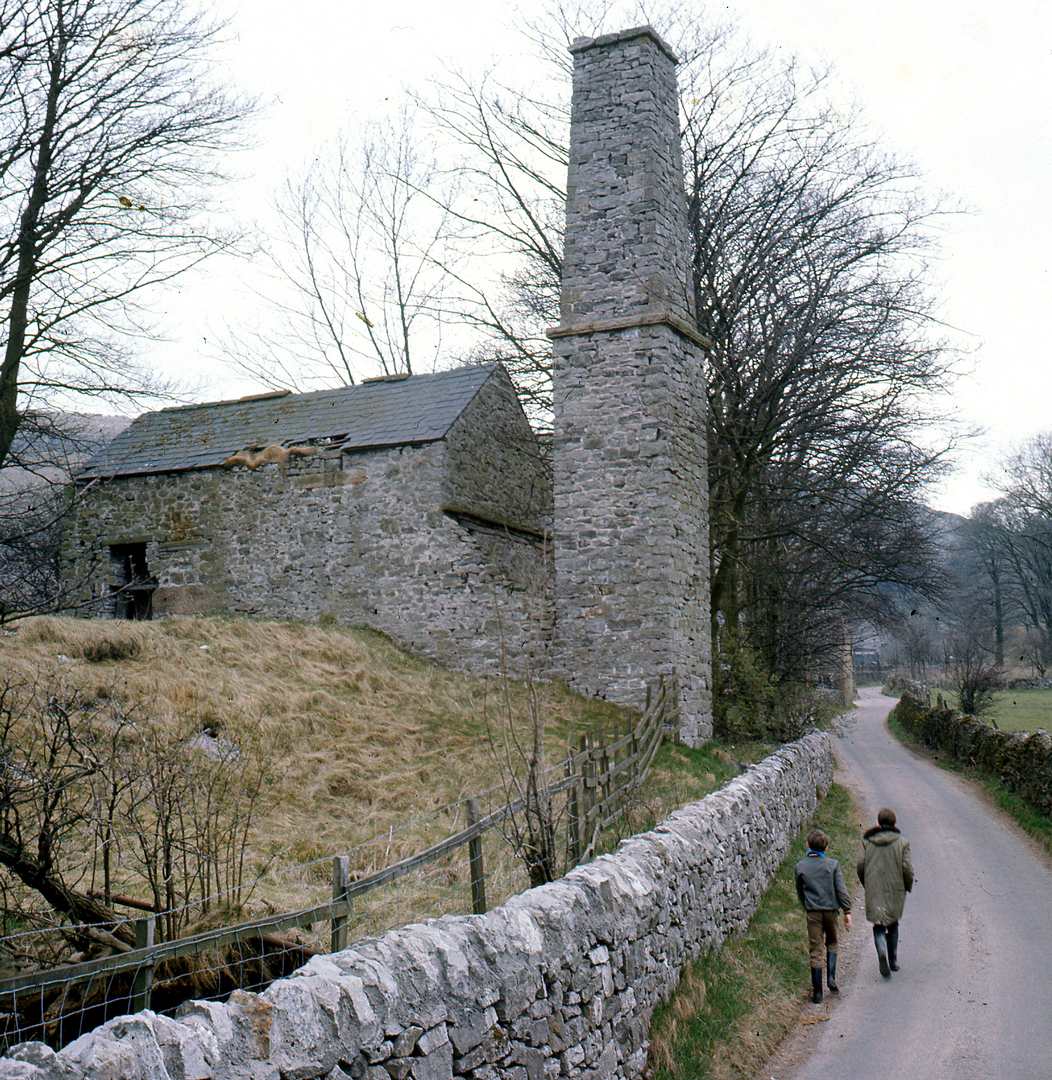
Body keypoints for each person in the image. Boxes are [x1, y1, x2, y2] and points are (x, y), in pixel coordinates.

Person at [795, 828, 852, 1004]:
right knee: (832, 942)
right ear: (825, 847)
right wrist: (847, 911)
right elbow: (841, 890)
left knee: (816, 949)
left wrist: (806, 905)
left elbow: (800, 890)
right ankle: (831, 978)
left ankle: (818, 992)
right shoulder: (833, 865)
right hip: (831, 912)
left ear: (808, 845)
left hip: (813, 912)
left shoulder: (800, 866)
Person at [857, 807, 914, 978]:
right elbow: (907, 869)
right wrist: (907, 885)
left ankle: (881, 948)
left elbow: (860, 865)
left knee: (878, 924)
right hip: (895, 888)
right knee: (893, 923)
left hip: (874, 887)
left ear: (879, 823)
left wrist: (866, 883)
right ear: (894, 823)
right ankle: (893, 960)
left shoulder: (868, 842)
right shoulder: (902, 843)